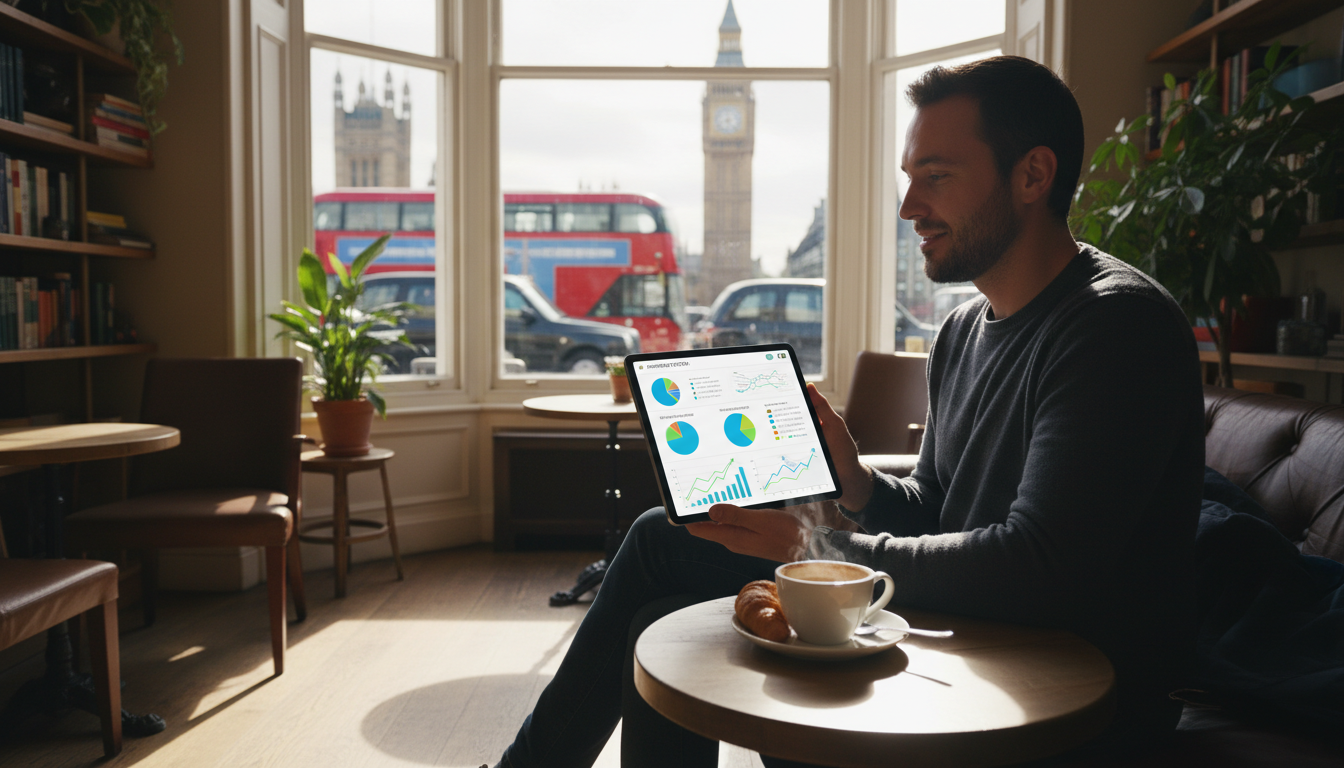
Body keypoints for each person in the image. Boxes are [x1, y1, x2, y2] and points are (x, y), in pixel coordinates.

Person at [493, 55, 1204, 768]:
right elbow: (938, 509)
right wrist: (856, 482)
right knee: (660, 569)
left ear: (1032, 175)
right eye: (909, 179)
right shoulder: (963, 329)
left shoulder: (1114, 327)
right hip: (976, 626)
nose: (908, 208)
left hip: (1057, 691)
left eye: (936, 177)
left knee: (681, 583)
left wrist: (815, 550)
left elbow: (1041, 568)